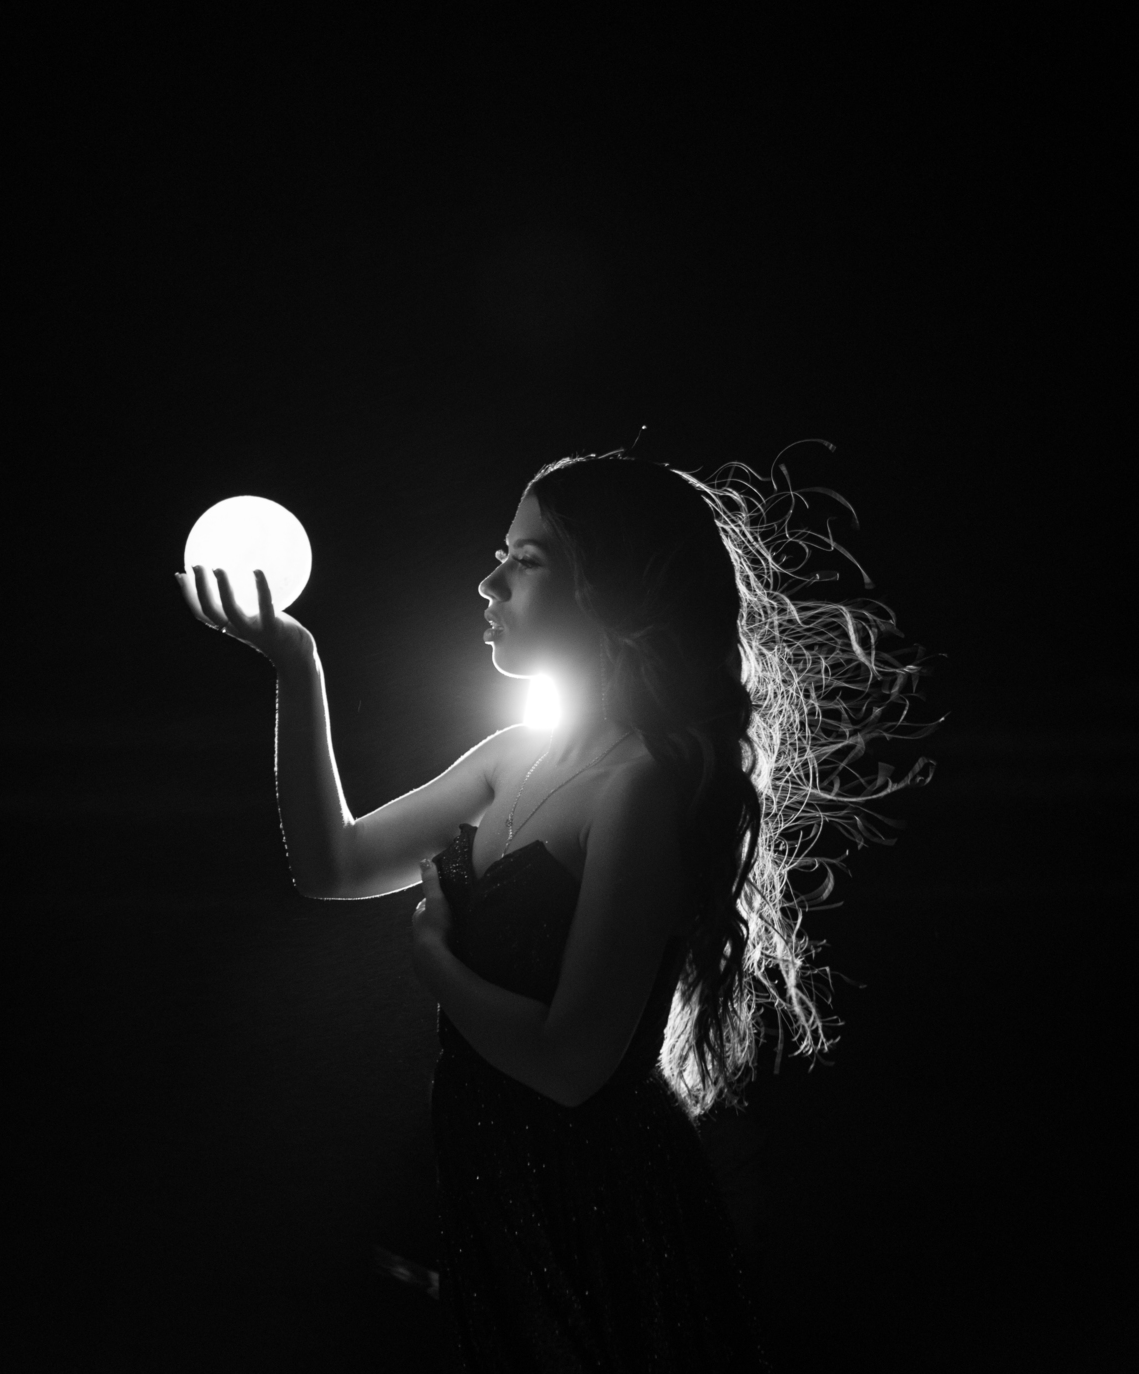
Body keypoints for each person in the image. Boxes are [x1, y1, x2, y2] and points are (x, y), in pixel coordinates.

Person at [177, 449, 935, 1371]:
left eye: (527, 560)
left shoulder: (642, 785)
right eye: (501, 553)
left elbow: (573, 1066)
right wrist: (296, 664)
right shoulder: (511, 755)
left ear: (607, 592)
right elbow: (333, 864)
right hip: (493, 1195)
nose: (489, 581)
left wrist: (434, 963)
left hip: (596, 1216)